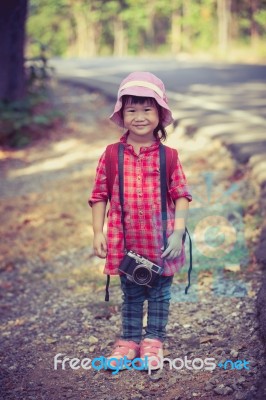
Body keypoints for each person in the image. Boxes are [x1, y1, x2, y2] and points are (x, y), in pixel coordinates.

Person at [88, 71, 192, 370]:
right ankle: (129, 341)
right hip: (126, 242)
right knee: (131, 293)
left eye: (147, 109)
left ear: (160, 113)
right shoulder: (111, 155)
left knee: (159, 294)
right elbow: (98, 196)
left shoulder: (169, 156)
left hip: (161, 242)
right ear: (122, 115)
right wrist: (98, 232)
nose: (139, 116)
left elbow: (182, 195)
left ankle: (154, 341)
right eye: (131, 109)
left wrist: (178, 232)